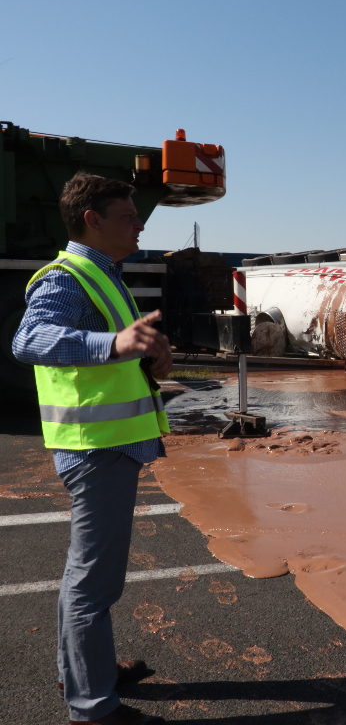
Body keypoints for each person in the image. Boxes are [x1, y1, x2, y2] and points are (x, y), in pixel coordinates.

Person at [12, 173, 173, 725]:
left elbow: (108, 356)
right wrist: (116, 342)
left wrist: (145, 355)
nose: (140, 223)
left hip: (105, 443)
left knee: (86, 576)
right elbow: (28, 340)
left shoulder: (104, 274)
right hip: (95, 448)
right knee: (94, 583)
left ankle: (83, 673)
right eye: (129, 216)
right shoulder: (68, 277)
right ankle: (93, 707)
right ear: (93, 220)